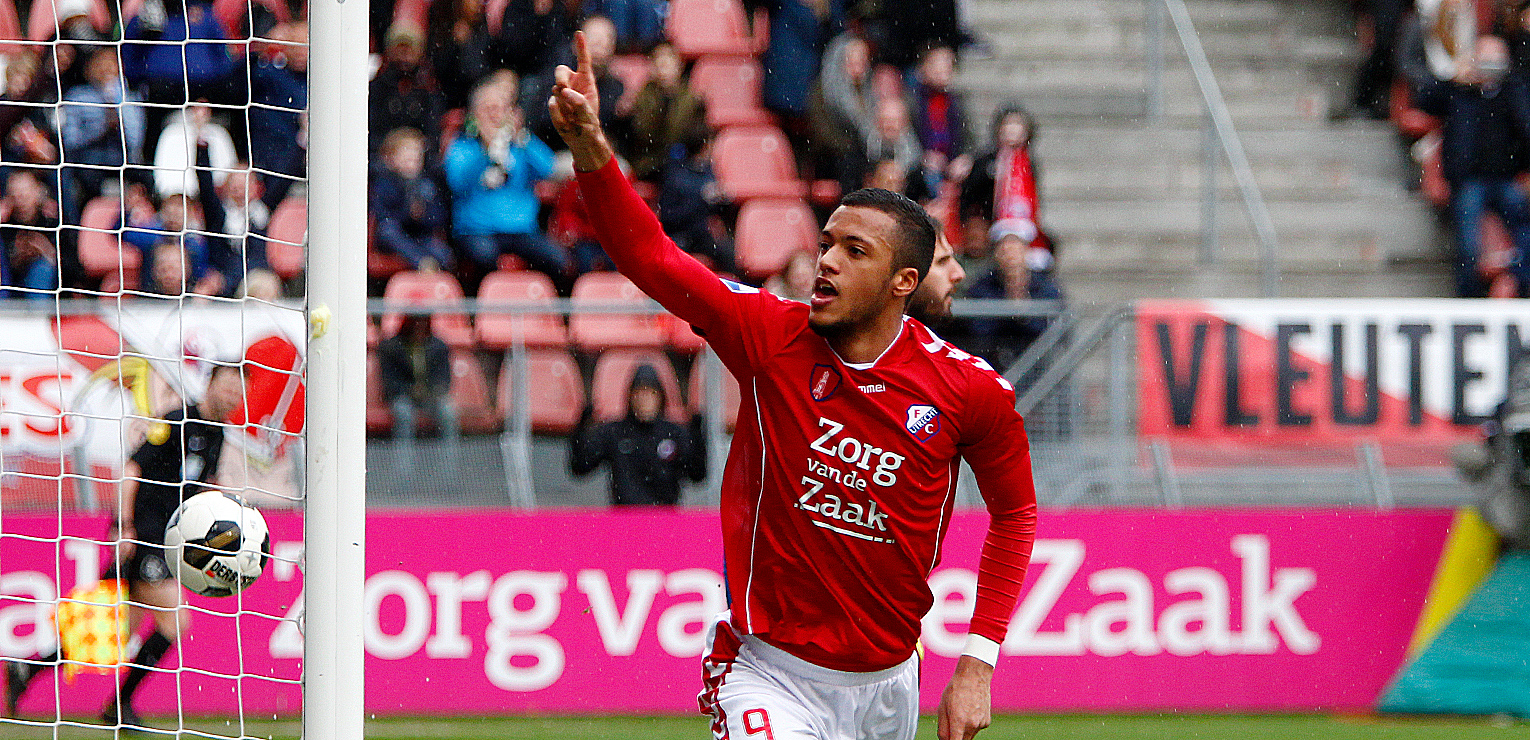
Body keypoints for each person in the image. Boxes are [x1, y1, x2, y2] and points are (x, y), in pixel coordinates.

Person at [549, 32, 1035, 740]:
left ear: (903, 282)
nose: (826, 261)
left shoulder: (968, 389)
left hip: (889, 685)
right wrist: (592, 147)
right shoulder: (768, 334)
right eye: (827, 243)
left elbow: (1015, 515)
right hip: (769, 673)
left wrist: (978, 663)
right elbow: (650, 256)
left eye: (854, 251)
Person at [4, 362, 247, 729]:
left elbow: (200, 483)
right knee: (175, 621)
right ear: (210, 384)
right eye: (228, 386)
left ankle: (29, 669)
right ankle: (119, 704)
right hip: (143, 535)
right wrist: (124, 525)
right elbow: (132, 470)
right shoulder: (176, 421)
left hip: (166, 539)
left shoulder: (218, 432)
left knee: (116, 628)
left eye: (238, 392)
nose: (232, 396)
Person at [1409, 34, 1530, 296]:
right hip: (1469, 181)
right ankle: (1468, 297)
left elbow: (1525, 127)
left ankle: (1520, 285)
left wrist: (1509, 85)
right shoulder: (1459, 93)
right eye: (1485, 59)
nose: (1491, 67)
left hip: (1507, 178)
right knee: (1468, 243)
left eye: (1496, 60)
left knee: (1524, 232)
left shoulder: (1514, 91)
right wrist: (1455, 78)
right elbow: (1423, 99)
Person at [445, 78, 566, 293]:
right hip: (476, 230)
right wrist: (486, 151)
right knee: (483, 259)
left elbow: (549, 169)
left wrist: (523, 138)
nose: (495, 115)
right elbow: (458, 182)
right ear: (474, 115)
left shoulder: (520, 146)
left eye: (501, 109)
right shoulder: (462, 147)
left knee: (559, 261)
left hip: (520, 230)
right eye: (488, 109)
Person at [569, 363, 707, 505]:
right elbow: (580, 466)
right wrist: (582, 426)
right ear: (630, 397)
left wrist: (696, 435)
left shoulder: (674, 433)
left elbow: (697, 474)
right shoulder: (615, 432)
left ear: (660, 397)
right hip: (625, 515)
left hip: (664, 515)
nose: (645, 399)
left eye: (651, 393)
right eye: (639, 393)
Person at [372, 128, 454, 271]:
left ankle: (427, 264)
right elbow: (382, 217)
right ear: (390, 158)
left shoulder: (427, 184)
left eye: (416, 155)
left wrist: (423, 215)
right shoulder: (385, 183)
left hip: (419, 237)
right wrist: (407, 213)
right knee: (389, 231)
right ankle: (422, 263)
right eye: (406, 156)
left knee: (443, 253)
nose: (412, 158)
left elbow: (439, 217)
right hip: (394, 237)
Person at [377, 314, 457, 441]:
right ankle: (403, 454)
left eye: (423, 323)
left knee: (447, 411)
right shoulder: (392, 347)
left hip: (430, 397)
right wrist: (411, 390)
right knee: (404, 414)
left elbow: (444, 379)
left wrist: (430, 390)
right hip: (403, 396)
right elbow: (390, 381)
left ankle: (449, 454)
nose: (419, 328)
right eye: (416, 324)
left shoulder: (438, 347)